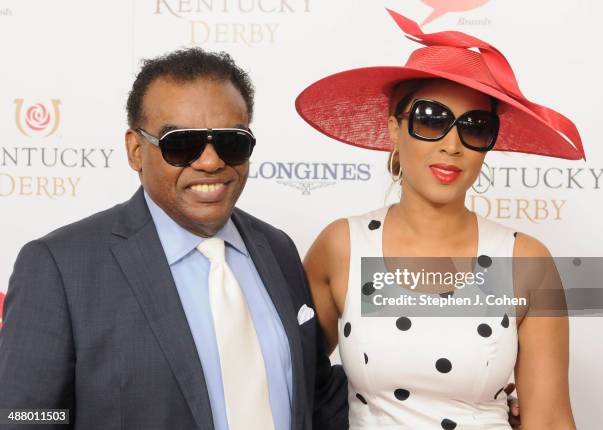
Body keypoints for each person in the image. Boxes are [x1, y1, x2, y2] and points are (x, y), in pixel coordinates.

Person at [0, 48, 347, 430]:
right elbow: (25, 417)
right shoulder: (60, 268)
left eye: (231, 142)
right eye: (182, 144)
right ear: (136, 150)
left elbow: (316, 397)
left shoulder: (276, 248)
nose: (211, 162)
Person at [296, 10, 581, 430]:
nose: (452, 145)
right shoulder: (342, 246)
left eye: (476, 127)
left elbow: (551, 419)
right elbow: (291, 382)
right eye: (431, 119)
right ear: (394, 128)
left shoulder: (526, 260)